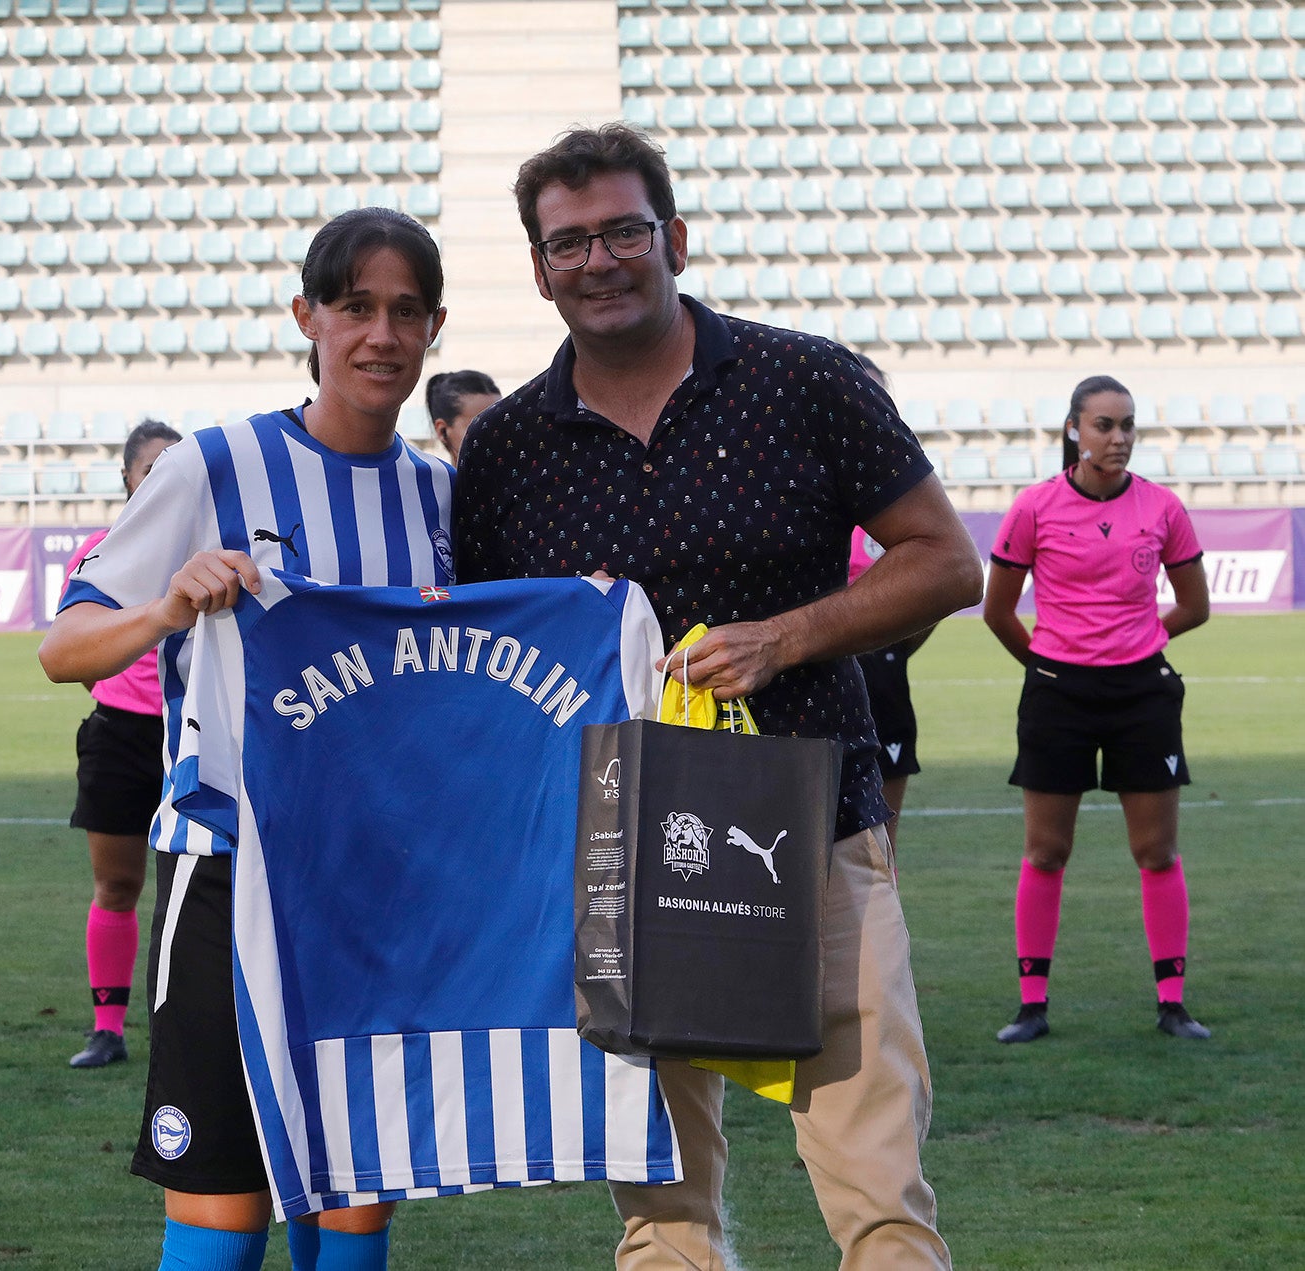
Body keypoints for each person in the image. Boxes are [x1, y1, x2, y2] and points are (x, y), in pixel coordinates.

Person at [454, 123, 983, 1271]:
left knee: (879, 1186)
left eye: (623, 231)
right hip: (616, 854)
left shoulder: (807, 378)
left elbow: (947, 561)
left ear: (675, 238)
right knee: (660, 1206)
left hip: (819, 825)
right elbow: (484, 664)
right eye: (570, 242)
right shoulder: (502, 451)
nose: (599, 260)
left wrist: (787, 636)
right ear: (540, 268)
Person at [39, 206, 453, 1271]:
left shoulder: (445, 494)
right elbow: (66, 647)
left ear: (434, 326)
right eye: (355, 306)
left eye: (406, 311)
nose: (381, 334)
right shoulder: (214, 468)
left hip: (379, 890)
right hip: (230, 875)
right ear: (306, 315)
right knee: (222, 1216)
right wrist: (165, 609)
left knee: (356, 1207)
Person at [984, 375, 1211, 1045]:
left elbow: (1195, 606)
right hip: (1059, 693)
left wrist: (1136, 643)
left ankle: (1173, 1003)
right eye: (1105, 425)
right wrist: (1050, 662)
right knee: (1047, 850)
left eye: (1128, 425)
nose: (1119, 438)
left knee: (1156, 850)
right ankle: (1032, 1004)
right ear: (1073, 431)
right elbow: (997, 611)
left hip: (1143, 693)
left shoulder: (1163, 507)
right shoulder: (1034, 507)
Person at [62, 419, 182, 1070]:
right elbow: (76, 654)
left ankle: (194, 1024)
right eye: (149, 470)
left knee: (198, 886)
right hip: (121, 736)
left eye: (174, 469)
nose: (160, 480)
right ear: (128, 480)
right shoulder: (101, 552)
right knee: (118, 884)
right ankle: (107, 1029)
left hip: (194, 734)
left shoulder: (206, 549)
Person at [849, 356, 935, 855]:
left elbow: (933, 590)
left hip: (884, 679)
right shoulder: (798, 498)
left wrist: (895, 645)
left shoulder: (904, 506)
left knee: (882, 852)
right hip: (810, 682)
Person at [425, 367, 501, 463]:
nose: (495, 436)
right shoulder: (429, 477)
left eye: (501, 426)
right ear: (442, 431)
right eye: (479, 428)